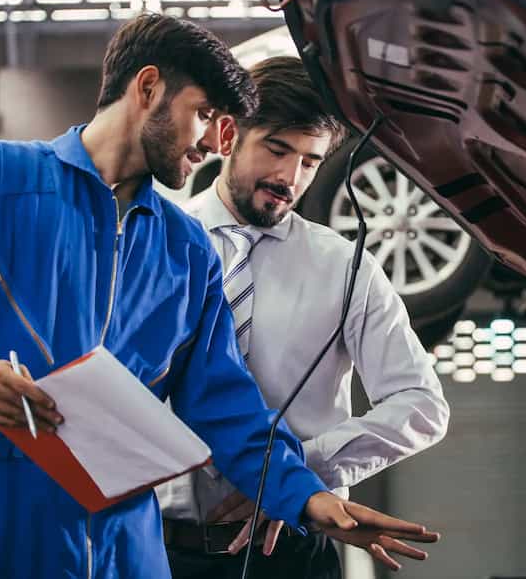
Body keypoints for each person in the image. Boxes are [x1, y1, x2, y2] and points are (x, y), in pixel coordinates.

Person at [0, 14, 438, 579]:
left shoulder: (186, 247)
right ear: (148, 89)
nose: (212, 141)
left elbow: (226, 404)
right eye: (204, 114)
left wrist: (308, 498)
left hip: (129, 542)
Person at [157, 57, 450, 578]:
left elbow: (422, 405)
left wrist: (293, 475)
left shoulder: (346, 267)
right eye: (277, 149)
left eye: (310, 162)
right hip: (161, 551)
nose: (290, 178)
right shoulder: (156, 242)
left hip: (289, 553)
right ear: (228, 134)